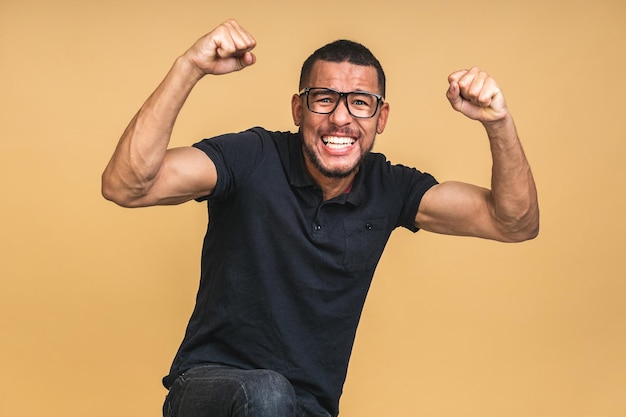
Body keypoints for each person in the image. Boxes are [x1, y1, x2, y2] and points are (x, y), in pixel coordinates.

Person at [102, 19, 538, 417]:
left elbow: (514, 222)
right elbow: (127, 185)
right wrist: (189, 67)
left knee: (282, 402)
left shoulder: (391, 188)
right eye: (324, 99)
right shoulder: (252, 157)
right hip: (207, 388)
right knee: (268, 394)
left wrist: (498, 123)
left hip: (308, 407)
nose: (341, 117)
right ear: (298, 110)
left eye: (360, 103)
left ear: (380, 117)